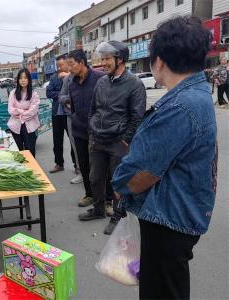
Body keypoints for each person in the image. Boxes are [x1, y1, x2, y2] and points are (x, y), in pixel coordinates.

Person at [111, 16, 217, 299]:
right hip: (180, 212)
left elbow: (142, 173)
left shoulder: (180, 106)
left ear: (158, 61)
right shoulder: (195, 94)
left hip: (168, 219)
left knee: (162, 290)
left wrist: (120, 185)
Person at [81, 41, 146, 235]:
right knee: (95, 178)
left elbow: (137, 116)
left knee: (118, 182)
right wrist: (92, 130)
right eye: (102, 59)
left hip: (118, 142)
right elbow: (93, 108)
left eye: (107, 58)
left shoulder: (135, 84)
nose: (104, 63)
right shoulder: (101, 82)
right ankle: (99, 209)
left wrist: (126, 139)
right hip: (98, 140)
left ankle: (118, 216)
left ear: (120, 60)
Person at [64, 49, 104, 207]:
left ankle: (106, 199)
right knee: (84, 165)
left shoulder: (100, 79)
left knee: (101, 167)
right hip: (79, 131)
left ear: (82, 63)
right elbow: (72, 105)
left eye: (71, 64)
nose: (69, 68)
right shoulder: (71, 82)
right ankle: (89, 195)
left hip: (97, 132)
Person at [46, 54, 77, 175]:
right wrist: (62, 96)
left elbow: (75, 91)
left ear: (67, 64)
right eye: (57, 65)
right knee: (57, 141)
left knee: (73, 140)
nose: (59, 67)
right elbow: (49, 92)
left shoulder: (74, 76)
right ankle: (59, 164)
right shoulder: (54, 78)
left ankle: (77, 165)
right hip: (57, 113)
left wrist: (68, 76)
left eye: (62, 65)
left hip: (69, 113)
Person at [7, 68, 40, 157]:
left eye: (25, 78)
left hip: (30, 126)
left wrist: (20, 114)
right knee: (18, 152)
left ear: (29, 79)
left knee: (30, 151)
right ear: (18, 80)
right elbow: (11, 109)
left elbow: (33, 111)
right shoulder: (13, 93)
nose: (23, 80)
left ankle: (32, 169)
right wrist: (24, 111)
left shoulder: (34, 94)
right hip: (15, 126)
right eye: (21, 78)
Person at [58, 72, 83, 185]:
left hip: (88, 118)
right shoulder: (67, 79)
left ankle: (93, 175)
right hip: (71, 117)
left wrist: (72, 99)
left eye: (72, 64)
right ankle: (80, 172)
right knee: (75, 146)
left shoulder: (90, 77)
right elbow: (61, 97)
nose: (70, 68)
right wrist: (70, 100)